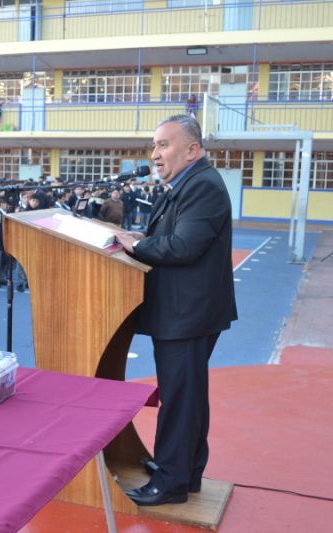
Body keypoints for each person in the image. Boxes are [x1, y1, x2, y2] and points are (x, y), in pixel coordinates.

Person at [113, 115, 238, 506]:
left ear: (192, 150)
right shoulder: (184, 184)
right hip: (184, 311)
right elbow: (172, 237)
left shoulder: (202, 186)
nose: (155, 155)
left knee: (181, 400)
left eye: (164, 145)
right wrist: (144, 239)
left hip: (188, 314)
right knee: (187, 397)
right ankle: (185, 470)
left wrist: (138, 247)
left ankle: (171, 482)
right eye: (154, 145)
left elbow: (184, 247)